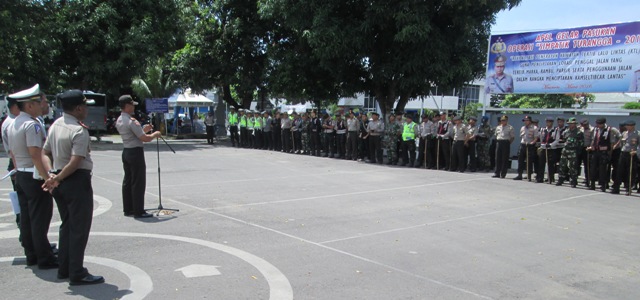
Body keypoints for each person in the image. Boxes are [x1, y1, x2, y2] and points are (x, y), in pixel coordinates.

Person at [41, 90, 104, 285]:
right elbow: (76, 161)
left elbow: (45, 153)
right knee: (78, 229)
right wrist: (56, 177)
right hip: (75, 181)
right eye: (85, 106)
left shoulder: (56, 125)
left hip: (60, 180)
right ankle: (77, 272)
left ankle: (65, 268)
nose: (86, 110)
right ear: (78, 108)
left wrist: (51, 174)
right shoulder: (78, 130)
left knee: (67, 226)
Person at [6, 83, 58, 269]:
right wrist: (47, 178)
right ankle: (44, 257)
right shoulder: (31, 125)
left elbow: (12, 152)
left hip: (21, 174)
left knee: (27, 218)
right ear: (29, 105)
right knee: (39, 219)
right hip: (33, 176)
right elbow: (36, 154)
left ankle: (32, 254)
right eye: (39, 102)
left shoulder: (14, 123)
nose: (42, 105)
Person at [115, 95, 161, 218]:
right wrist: (154, 134)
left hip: (126, 151)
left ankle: (128, 208)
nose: (134, 107)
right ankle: (138, 210)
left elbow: (134, 135)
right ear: (127, 106)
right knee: (138, 182)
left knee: (128, 181)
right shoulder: (131, 121)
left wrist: (143, 130)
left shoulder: (120, 119)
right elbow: (143, 138)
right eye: (132, 105)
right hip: (135, 152)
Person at [611, 120, 639, 195]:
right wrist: (615, 147)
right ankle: (616, 188)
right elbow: (621, 142)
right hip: (623, 153)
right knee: (619, 171)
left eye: (628, 125)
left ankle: (628, 188)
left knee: (629, 172)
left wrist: (636, 152)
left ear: (632, 126)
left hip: (631, 154)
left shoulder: (637, 134)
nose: (626, 127)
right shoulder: (624, 133)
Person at [555, 118, 584, 188]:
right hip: (565, 150)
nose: (570, 125)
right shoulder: (566, 131)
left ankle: (573, 180)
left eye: (572, 124)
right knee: (562, 165)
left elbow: (581, 143)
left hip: (573, 151)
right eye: (569, 124)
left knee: (573, 167)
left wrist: (578, 152)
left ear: (575, 124)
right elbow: (564, 139)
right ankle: (561, 179)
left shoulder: (579, 132)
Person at [587, 118, 613, 192]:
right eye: (597, 124)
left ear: (603, 123)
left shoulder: (609, 130)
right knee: (593, 168)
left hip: (604, 152)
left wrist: (610, 153)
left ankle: (603, 185)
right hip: (595, 151)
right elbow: (593, 139)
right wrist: (591, 146)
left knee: (603, 169)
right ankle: (592, 184)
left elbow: (612, 142)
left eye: (599, 124)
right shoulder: (596, 130)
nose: (598, 125)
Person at [514, 116, 539, 180]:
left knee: (529, 161)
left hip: (530, 145)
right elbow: (521, 136)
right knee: (520, 160)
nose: (525, 122)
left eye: (527, 120)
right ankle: (519, 174)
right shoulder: (522, 128)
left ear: (530, 121)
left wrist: (532, 142)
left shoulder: (534, 128)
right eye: (524, 120)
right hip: (523, 144)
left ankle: (529, 175)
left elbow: (536, 138)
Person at [536, 117, 556, 183]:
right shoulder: (543, 129)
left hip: (551, 148)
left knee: (550, 164)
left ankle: (550, 178)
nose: (548, 123)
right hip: (544, 148)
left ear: (552, 123)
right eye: (547, 122)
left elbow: (557, 139)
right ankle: (540, 178)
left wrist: (551, 145)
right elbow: (541, 137)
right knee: (541, 163)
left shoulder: (555, 130)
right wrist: (542, 144)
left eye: (549, 122)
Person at [578, 119, 593, 186]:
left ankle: (588, 180)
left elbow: (593, 139)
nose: (584, 126)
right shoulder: (580, 129)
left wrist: (591, 147)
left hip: (587, 148)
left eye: (585, 125)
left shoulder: (592, 129)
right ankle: (574, 179)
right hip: (580, 148)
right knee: (577, 164)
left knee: (587, 165)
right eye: (583, 125)